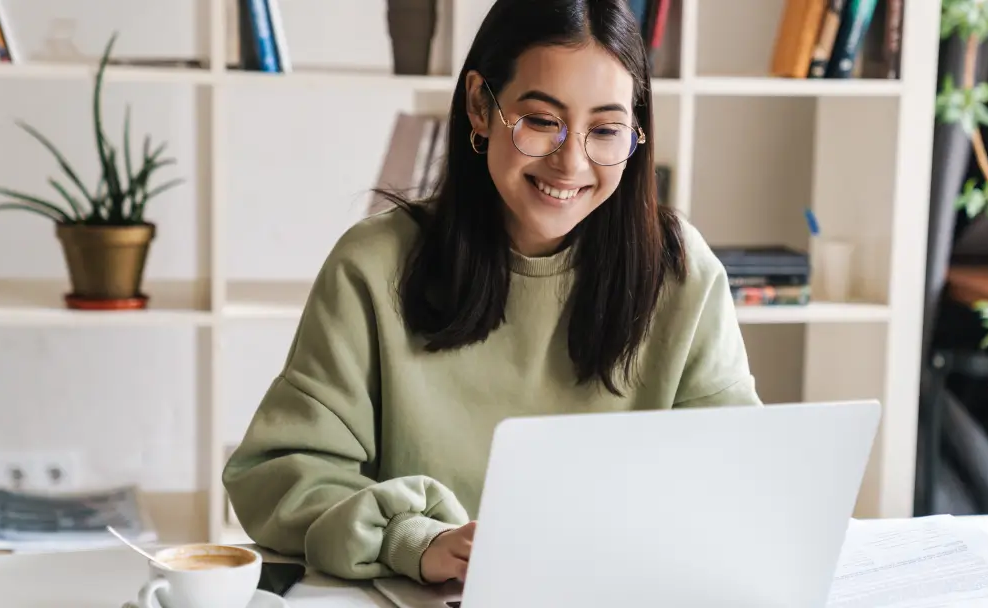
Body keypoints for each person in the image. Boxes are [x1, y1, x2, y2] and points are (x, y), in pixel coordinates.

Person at [222, 0, 761, 588]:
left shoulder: (682, 272)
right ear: (481, 105)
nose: (571, 162)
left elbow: (735, 479)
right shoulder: (375, 266)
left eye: (605, 130)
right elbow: (279, 473)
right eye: (540, 120)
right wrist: (413, 539)